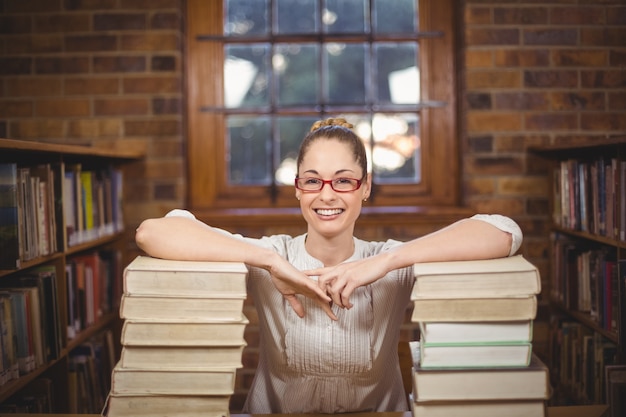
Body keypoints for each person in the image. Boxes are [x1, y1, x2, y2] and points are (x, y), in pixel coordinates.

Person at [135, 118, 523, 414]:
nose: (326, 195)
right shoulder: (271, 255)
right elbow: (152, 232)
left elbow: (504, 231)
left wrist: (387, 261)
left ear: (365, 187)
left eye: (343, 181)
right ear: (298, 189)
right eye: (313, 181)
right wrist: (270, 261)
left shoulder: (390, 262)